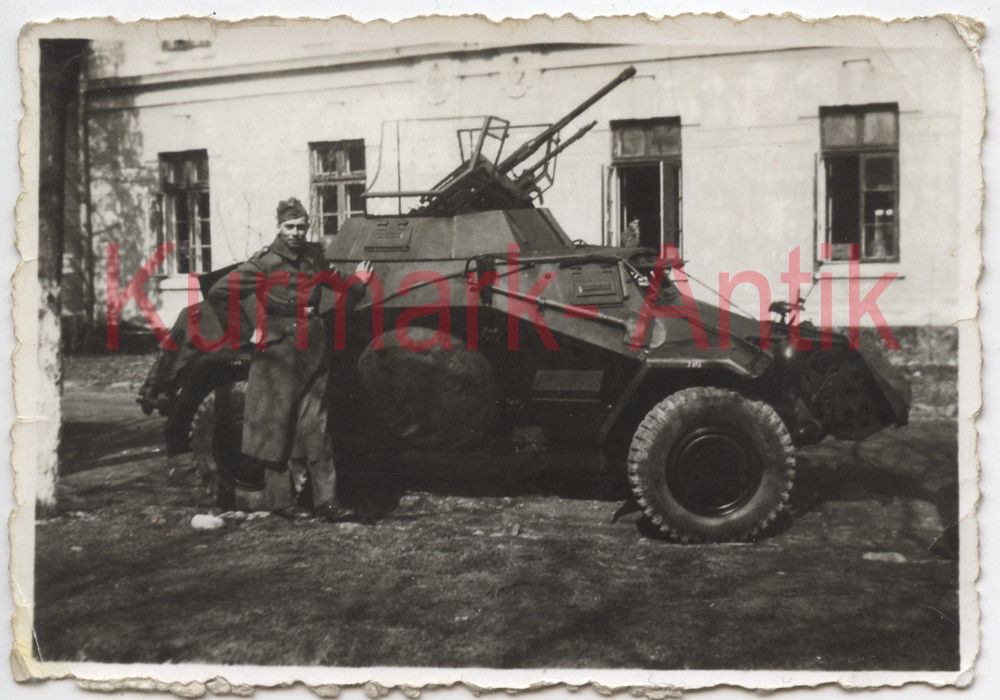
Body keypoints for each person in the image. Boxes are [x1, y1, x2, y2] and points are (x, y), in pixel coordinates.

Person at [207, 197, 373, 522]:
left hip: (313, 346)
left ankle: (327, 501)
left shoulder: (313, 256)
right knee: (275, 424)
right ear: (279, 227)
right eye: (290, 227)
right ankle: (281, 502)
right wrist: (247, 333)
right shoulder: (264, 264)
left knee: (317, 425)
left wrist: (357, 284)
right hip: (279, 350)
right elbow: (218, 293)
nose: (296, 232)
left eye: (301, 226)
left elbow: (333, 280)